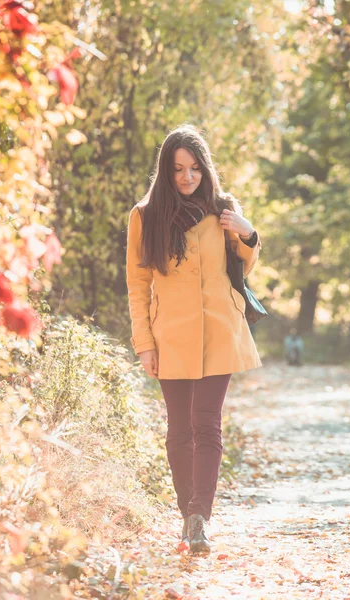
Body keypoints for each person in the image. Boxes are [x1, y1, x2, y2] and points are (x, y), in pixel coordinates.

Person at [125, 124, 262, 554]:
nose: (187, 178)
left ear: (206, 169)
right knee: (179, 430)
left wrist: (247, 230)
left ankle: (199, 517)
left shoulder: (221, 208)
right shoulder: (145, 216)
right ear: (166, 171)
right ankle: (188, 514)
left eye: (195, 169)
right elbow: (137, 284)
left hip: (220, 330)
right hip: (171, 336)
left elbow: (245, 266)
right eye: (179, 169)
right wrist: (144, 343)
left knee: (208, 424)